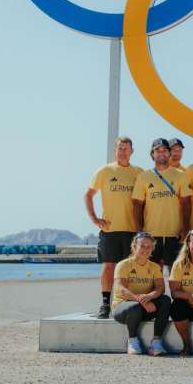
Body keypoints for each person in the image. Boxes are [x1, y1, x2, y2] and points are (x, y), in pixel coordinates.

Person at [85, 136, 143, 318]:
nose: (123, 151)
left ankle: (128, 301)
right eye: (120, 148)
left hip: (133, 230)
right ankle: (105, 304)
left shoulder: (139, 173)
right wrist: (94, 218)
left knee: (130, 268)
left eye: (126, 148)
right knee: (109, 266)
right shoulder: (105, 171)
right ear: (115, 151)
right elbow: (88, 195)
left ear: (132, 151)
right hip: (110, 229)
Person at [131, 139, 190, 272]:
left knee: (176, 272)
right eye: (158, 150)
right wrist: (140, 232)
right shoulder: (143, 177)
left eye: (165, 150)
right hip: (151, 233)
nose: (161, 153)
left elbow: (186, 203)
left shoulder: (181, 175)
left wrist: (185, 228)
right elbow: (137, 206)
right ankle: (157, 294)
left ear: (170, 154)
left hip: (174, 233)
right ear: (152, 154)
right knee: (152, 272)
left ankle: (174, 294)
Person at [111, 232, 171, 356]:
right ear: (134, 246)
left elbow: (160, 288)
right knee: (135, 307)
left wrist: (149, 297)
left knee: (165, 300)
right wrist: (141, 300)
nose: (145, 249)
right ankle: (132, 340)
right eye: (142, 246)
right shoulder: (123, 265)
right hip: (123, 308)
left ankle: (156, 342)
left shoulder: (154, 267)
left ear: (152, 249)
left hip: (146, 307)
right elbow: (120, 288)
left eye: (149, 246)